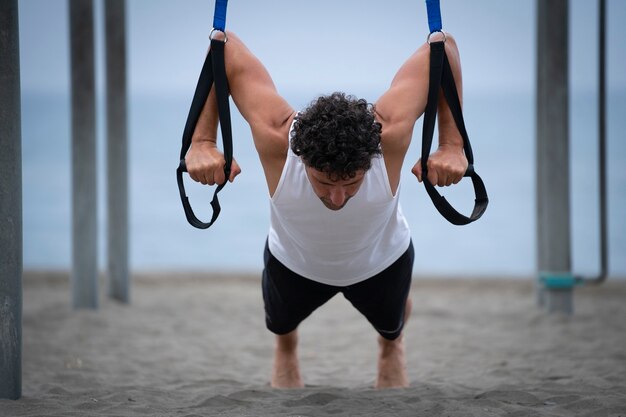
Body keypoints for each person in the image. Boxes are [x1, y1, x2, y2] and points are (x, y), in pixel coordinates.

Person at [185, 30, 467, 389]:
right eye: (324, 183)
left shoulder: (391, 133)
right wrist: (202, 141)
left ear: (371, 158)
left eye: (350, 184)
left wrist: (452, 145)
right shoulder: (276, 139)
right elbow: (220, 47)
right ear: (301, 161)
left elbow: (443, 48)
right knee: (281, 325)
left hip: (380, 261)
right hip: (294, 263)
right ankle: (286, 346)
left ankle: (390, 345)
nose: (337, 198)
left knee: (392, 325)